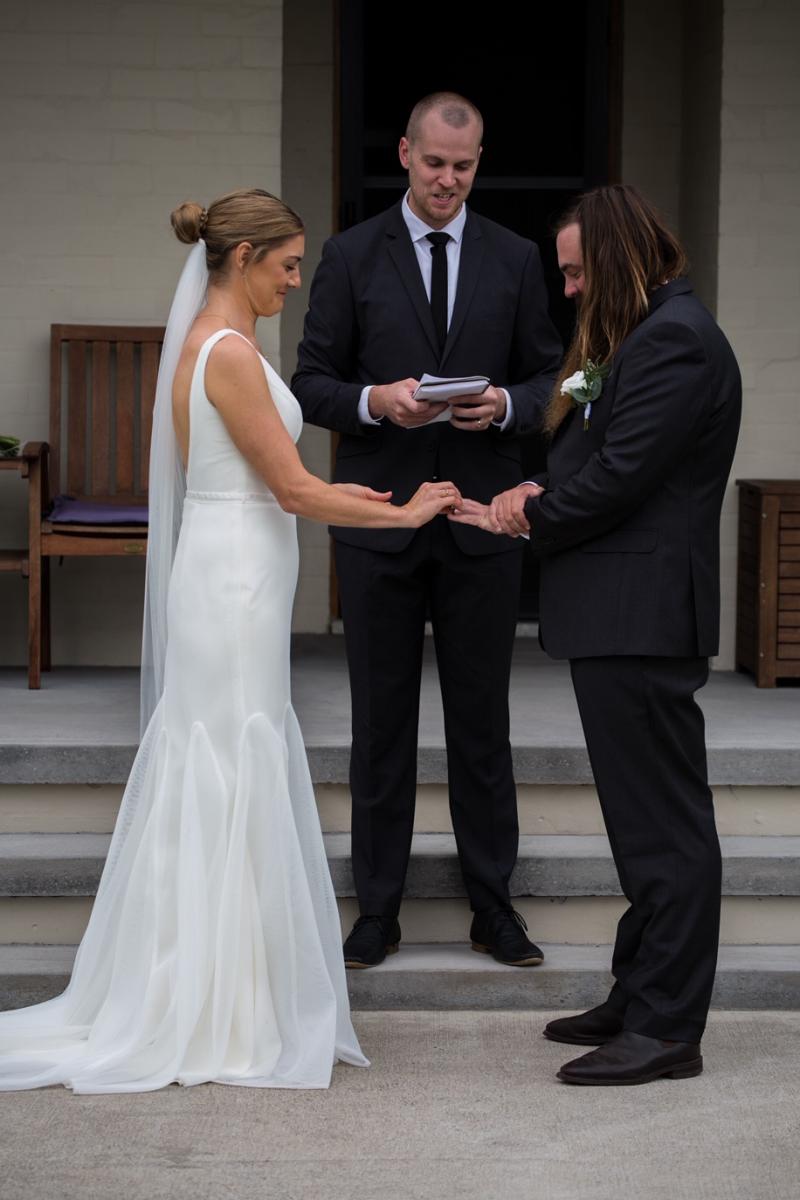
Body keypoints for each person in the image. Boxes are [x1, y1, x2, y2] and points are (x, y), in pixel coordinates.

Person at [0, 188, 462, 1094]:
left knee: (218, 757)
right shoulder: (231, 356)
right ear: (242, 259)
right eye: (287, 264)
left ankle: (215, 989)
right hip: (235, 578)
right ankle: (219, 1007)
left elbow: (249, 481)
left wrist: (355, 499)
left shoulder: (206, 349)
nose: (296, 279)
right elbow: (288, 489)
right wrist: (402, 513)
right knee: (231, 757)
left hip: (228, 564)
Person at [450, 184, 741, 1085]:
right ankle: (637, 991)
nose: (568, 289)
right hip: (616, 612)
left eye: (578, 272)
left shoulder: (679, 344)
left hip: (643, 616)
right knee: (637, 824)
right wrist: (521, 467)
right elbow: (567, 425)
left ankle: (666, 1031)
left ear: (615, 260)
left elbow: (617, 477)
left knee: (666, 830)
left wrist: (523, 514)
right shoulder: (627, 340)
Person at [292, 94, 562, 969]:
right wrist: (380, 402)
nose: (449, 179)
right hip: (377, 521)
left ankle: (495, 907)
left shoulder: (517, 258)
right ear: (405, 153)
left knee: (483, 725)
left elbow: (550, 376)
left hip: (481, 525)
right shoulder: (349, 254)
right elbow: (310, 383)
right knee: (382, 726)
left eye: (465, 165)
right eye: (435, 162)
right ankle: (377, 910)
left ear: (478, 162)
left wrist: (508, 406)